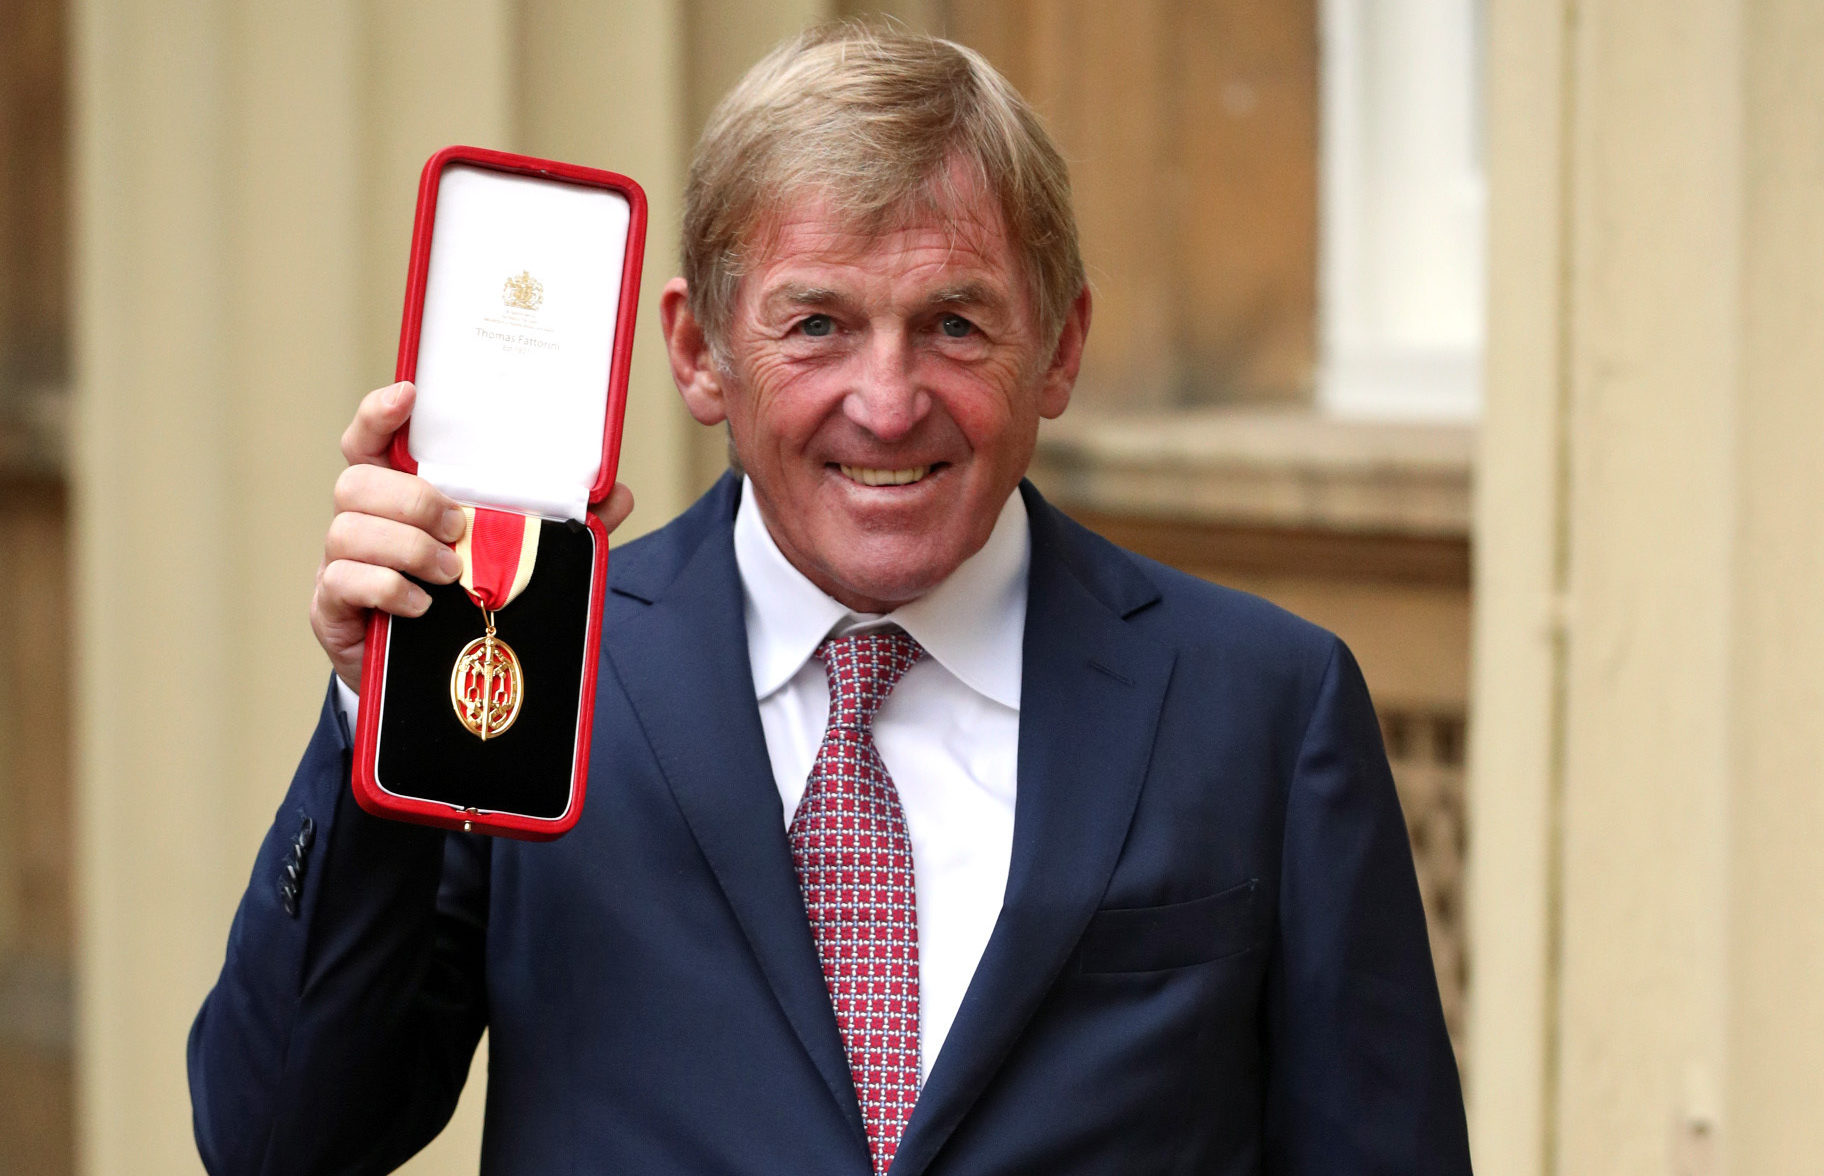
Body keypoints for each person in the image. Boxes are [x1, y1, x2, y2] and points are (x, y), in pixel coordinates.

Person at [189, 22, 1472, 1176]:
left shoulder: (1262, 705)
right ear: (699, 352)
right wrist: (378, 701)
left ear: (1061, 347)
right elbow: (277, 1141)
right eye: (817, 326)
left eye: (956, 326)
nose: (888, 400)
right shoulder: (537, 682)